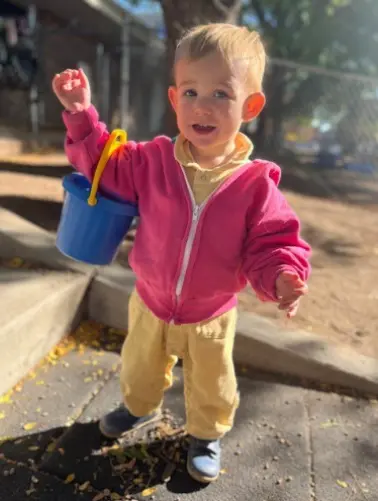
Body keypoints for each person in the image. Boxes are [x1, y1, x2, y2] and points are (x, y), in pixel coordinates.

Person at [52, 23, 311, 484]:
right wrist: (81, 115)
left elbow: (273, 242)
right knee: (139, 365)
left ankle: (206, 433)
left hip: (210, 312)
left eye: (220, 94)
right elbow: (103, 166)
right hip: (151, 298)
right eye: (190, 92)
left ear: (250, 106)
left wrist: (282, 276)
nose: (202, 107)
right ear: (174, 100)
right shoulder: (152, 160)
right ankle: (137, 407)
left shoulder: (255, 185)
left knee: (212, 383)